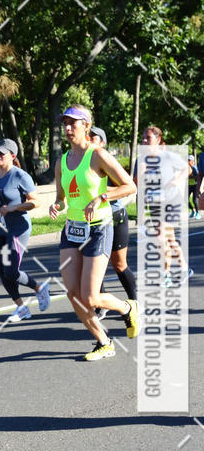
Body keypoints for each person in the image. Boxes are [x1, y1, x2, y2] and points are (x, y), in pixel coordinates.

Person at [49, 105, 138, 361]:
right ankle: (104, 342)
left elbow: (129, 186)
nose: (67, 128)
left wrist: (101, 197)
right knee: (73, 295)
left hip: (99, 228)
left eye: (73, 123)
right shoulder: (61, 162)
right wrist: (56, 205)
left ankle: (127, 307)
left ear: (86, 125)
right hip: (72, 230)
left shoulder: (97, 155)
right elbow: (62, 197)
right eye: (65, 123)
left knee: (90, 297)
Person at [0, 139, 50, 322]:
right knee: (1, 271)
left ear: (12, 156)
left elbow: (36, 202)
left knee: (11, 271)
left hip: (17, 228)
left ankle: (39, 288)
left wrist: (13, 208)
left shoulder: (20, 176)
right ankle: (21, 308)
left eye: (2, 153)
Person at [89, 127, 137, 318]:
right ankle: (102, 304)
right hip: (93, 220)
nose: (89, 139)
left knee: (119, 264)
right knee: (94, 264)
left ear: (102, 143)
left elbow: (127, 188)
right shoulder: (80, 161)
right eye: (88, 136)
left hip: (115, 216)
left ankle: (135, 303)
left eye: (93, 137)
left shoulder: (106, 160)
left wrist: (99, 191)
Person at [134, 126, 192, 283]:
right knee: (169, 239)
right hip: (155, 204)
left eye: (148, 138)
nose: (144, 140)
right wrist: (141, 173)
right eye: (143, 138)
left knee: (161, 237)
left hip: (171, 201)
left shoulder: (167, 156)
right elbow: (135, 185)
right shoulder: (140, 160)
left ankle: (165, 274)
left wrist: (176, 180)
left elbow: (187, 169)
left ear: (158, 140)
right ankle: (184, 268)